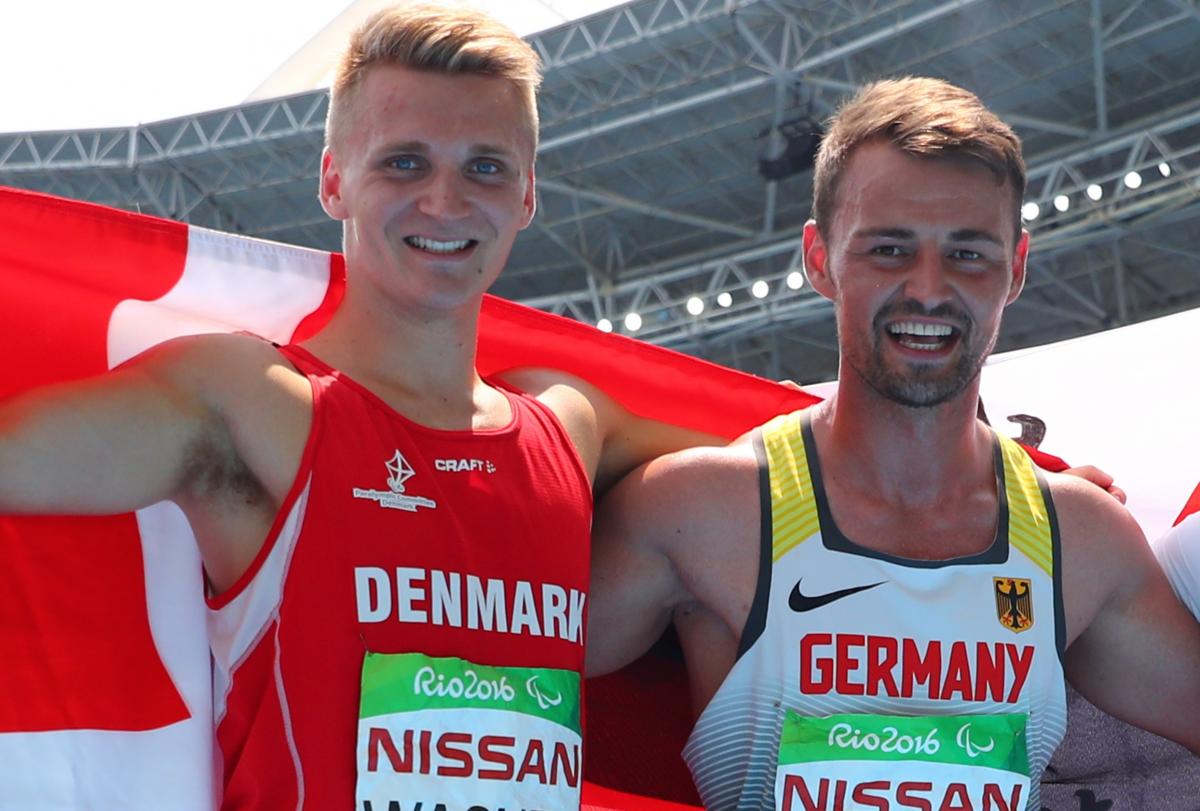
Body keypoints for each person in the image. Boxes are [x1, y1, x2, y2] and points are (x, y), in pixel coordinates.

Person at [0, 6, 716, 809]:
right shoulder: (256, 408)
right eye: (404, 163)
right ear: (334, 180)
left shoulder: (567, 423)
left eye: (485, 168)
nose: (445, 202)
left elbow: (809, 475)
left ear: (526, 196)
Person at [586, 77, 1200, 810]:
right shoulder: (698, 511)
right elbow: (479, 677)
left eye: (969, 253)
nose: (930, 289)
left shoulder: (1083, 536)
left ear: (1018, 267)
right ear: (819, 258)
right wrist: (571, 410)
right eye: (889, 249)